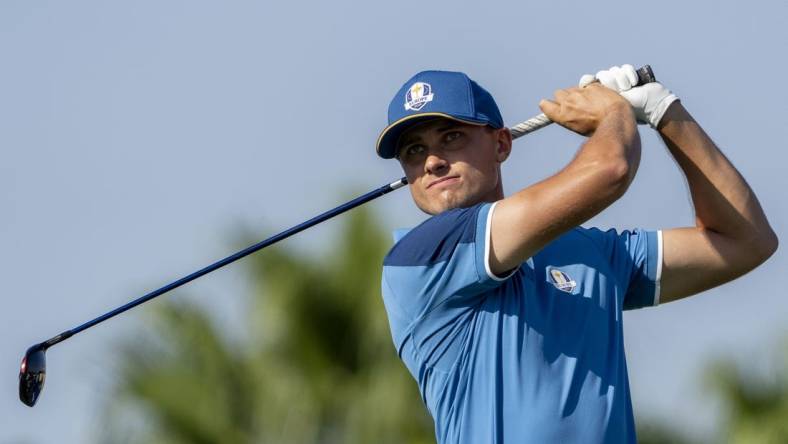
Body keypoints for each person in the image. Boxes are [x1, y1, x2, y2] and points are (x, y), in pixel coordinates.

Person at [375, 65, 777, 444]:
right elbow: (610, 170)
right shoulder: (419, 260)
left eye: (451, 137)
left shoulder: (588, 252)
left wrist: (665, 112)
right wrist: (614, 112)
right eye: (413, 151)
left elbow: (746, 240)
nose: (431, 161)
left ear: (501, 143)